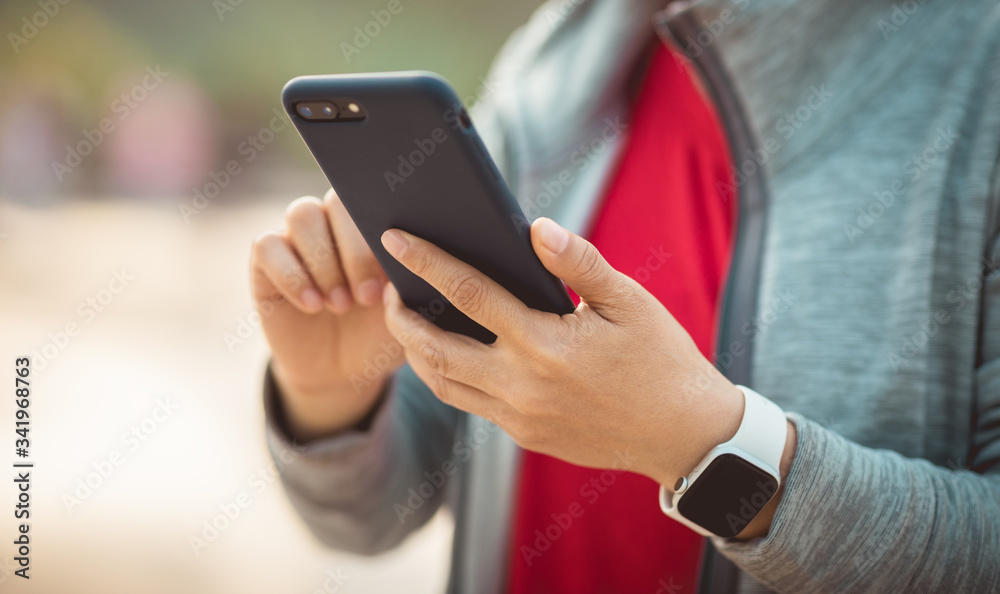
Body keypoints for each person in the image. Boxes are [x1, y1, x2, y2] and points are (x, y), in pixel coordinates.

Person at [249, 1, 1000, 592]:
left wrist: (702, 448)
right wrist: (329, 392)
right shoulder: (557, 58)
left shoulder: (977, 68)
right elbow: (378, 515)